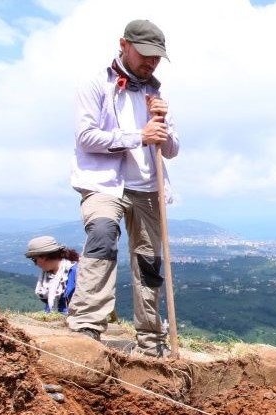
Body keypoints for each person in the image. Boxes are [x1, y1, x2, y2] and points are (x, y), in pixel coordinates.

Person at [67, 19, 179, 358]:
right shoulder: (95, 86)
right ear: (124, 44)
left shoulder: (156, 95)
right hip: (104, 185)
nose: (150, 62)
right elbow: (86, 138)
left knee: (149, 263)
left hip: (148, 189)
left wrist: (162, 128)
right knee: (102, 233)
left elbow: (171, 149)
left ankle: (150, 340)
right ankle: (88, 325)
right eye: (145, 54)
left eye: (157, 58)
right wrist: (138, 136)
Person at [25, 236, 79, 314]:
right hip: (52, 317)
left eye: (35, 259)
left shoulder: (76, 272)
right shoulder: (47, 275)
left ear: (44, 257)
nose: (35, 264)